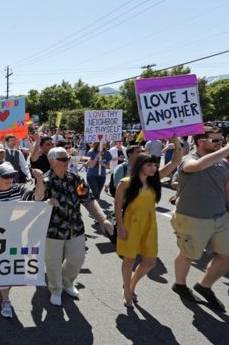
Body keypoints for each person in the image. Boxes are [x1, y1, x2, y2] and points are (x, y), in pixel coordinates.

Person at [42, 147, 114, 306]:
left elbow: (88, 200)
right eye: (63, 159)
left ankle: (67, 282)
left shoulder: (75, 179)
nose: (67, 161)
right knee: (53, 263)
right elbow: (36, 201)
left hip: (75, 227)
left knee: (77, 259)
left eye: (68, 158)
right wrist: (45, 203)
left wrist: (103, 219)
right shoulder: (45, 181)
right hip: (52, 231)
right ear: (52, 162)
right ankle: (55, 289)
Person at [114, 139, 182, 308]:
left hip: (149, 225)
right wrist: (121, 228)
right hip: (130, 224)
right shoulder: (125, 183)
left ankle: (130, 286)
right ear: (140, 165)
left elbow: (176, 161)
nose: (153, 168)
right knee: (129, 260)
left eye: (155, 165)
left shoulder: (155, 180)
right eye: (150, 165)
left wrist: (175, 141)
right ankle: (128, 292)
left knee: (150, 261)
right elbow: (117, 209)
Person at [171, 127, 229, 312]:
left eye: (221, 140)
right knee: (189, 255)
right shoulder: (189, 159)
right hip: (192, 219)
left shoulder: (223, 164)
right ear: (200, 141)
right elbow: (195, 167)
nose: (220, 144)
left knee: (226, 256)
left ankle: (204, 286)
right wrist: (226, 150)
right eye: (215, 141)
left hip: (220, 217)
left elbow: (226, 189)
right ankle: (180, 284)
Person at [0, 163, 45, 318]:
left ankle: (4, 291)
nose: (10, 179)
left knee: (13, 268)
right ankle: (6, 300)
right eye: (6, 176)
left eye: (12, 176)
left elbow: (38, 198)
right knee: (3, 269)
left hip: (18, 238)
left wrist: (40, 180)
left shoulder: (19, 189)